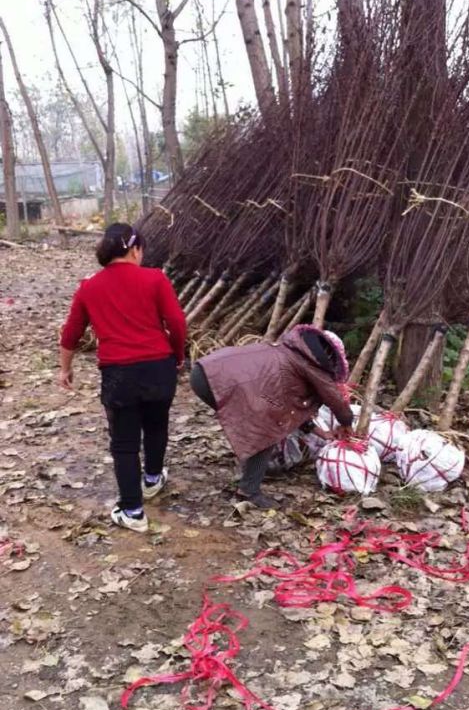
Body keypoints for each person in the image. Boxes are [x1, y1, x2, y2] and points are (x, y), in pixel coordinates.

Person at [59, 222, 187, 533]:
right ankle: (153, 479)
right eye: (141, 250)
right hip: (159, 367)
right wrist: (178, 356)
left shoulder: (89, 286)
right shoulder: (155, 278)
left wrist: (66, 368)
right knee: (157, 425)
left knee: (125, 444)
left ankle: (132, 511)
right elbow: (177, 322)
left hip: (119, 375)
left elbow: (71, 332)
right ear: (134, 249)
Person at [190, 324, 354, 508]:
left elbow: (287, 410)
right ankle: (249, 490)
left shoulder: (289, 351)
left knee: (264, 423)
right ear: (330, 356)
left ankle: (248, 475)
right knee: (266, 431)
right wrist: (346, 422)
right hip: (218, 380)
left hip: (206, 371)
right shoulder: (312, 366)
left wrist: (320, 432)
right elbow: (335, 399)